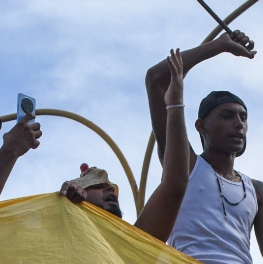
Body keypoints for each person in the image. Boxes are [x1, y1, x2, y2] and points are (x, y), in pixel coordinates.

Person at [144, 33, 263, 264]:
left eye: (243, 117)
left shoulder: (258, 190)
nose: (239, 125)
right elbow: (156, 79)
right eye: (227, 116)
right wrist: (217, 46)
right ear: (200, 126)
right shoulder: (185, 165)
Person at [62, 48, 191, 243]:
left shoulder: (133, 245)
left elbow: (176, 184)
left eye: (110, 187)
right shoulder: (58, 238)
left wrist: (175, 104)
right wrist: (60, 206)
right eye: (96, 186)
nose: (110, 190)